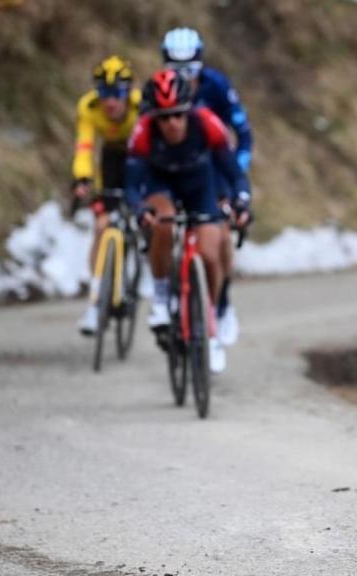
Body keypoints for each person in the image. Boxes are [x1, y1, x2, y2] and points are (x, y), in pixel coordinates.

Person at [126, 70, 252, 374]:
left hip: (200, 185)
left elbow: (234, 172)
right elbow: (131, 183)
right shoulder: (143, 131)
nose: (172, 123)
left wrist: (242, 200)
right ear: (153, 116)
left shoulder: (207, 123)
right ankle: (160, 297)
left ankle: (209, 323)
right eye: (164, 117)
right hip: (161, 185)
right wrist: (140, 208)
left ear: (188, 110)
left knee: (211, 253)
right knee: (164, 223)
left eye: (179, 115)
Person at [162, 27, 254, 348]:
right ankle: (168, 288)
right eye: (176, 69)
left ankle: (222, 305)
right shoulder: (160, 91)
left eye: (190, 69)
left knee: (220, 236)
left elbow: (243, 134)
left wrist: (235, 177)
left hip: (215, 166)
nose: (184, 76)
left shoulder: (216, 85)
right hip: (173, 166)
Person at [72, 55, 143, 335]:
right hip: (110, 161)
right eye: (104, 93)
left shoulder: (142, 107)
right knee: (102, 227)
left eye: (116, 94)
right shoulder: (89, 108)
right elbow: (85, 148)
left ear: (127, 94)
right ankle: (96, 300)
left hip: (139, 159)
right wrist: (83, 179)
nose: (110, 102)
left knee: (143, 220)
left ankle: (136, 270)